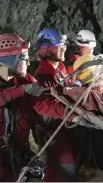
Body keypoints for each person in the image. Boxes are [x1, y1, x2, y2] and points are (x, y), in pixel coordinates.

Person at [0, 33, 76, 182]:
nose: (29, 63)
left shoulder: (25, 81)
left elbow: (43, 105)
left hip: (18, 161)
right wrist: (22, 90)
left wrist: (73, 114)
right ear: (11, 61)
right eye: (24, 58)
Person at [32, 28, 81, 182]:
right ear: (47, 49)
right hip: (54, 135)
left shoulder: (59, 69)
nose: (64, 48)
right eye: (59, 46)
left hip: (67, 130)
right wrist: (72, 114)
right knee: (65, 167)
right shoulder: (42, 76)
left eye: (63, 46)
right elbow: (44, 108)